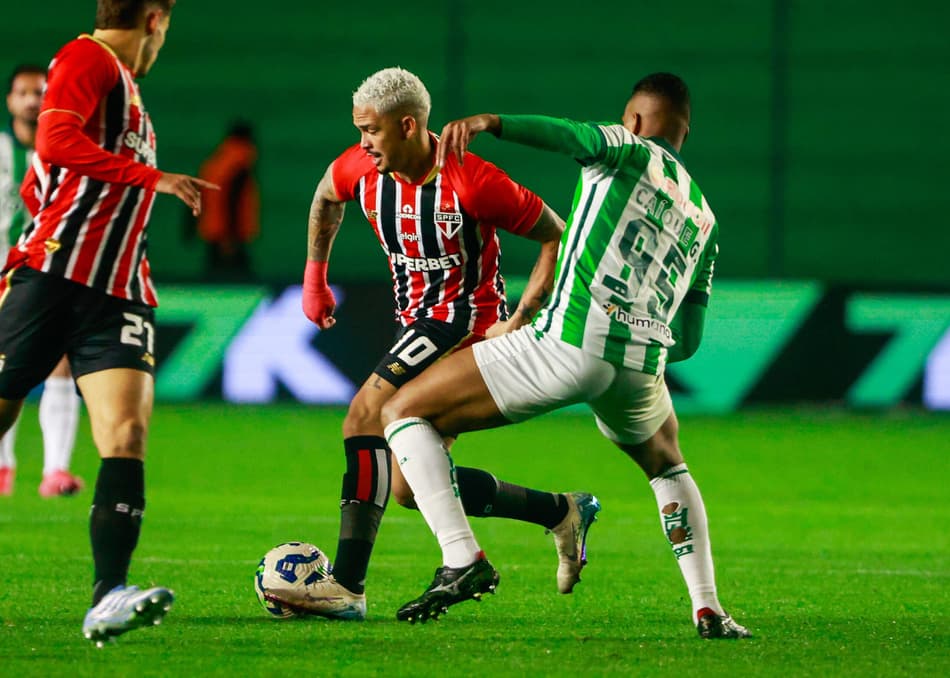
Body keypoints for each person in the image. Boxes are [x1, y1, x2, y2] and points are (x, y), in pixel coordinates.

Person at [381, 73, 751, 639]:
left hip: (570, 340)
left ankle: (463, 559)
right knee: (668, 464)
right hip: (639, 363)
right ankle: (708, 608)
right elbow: (692, 339)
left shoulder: (627, 148)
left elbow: (567, 136)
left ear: (634, 119)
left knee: (403, 412)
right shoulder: (706, 220)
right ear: (685, 132)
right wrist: (639, 334)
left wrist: (492, 123)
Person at [267, 67, 601, 620]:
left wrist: (521, 316)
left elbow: (555, 234)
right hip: (414, 323)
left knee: (363, 416)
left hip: (463, 325)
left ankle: (346, 587)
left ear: (407, 126)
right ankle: (560, 511)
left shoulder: (470, 179)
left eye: (370, 131)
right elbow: (326, 198)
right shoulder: (362, 169)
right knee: (407, 488)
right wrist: (314, 277)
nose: (361, 142)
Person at [0, 0, 215, 644]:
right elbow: (54, 140)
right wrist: (152, 178)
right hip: (55, 277)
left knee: (125, 433)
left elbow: (47, 179)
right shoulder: (87, 57)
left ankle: (107, 594)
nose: (164, 42)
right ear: (155, 17)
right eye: (167, 28)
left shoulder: (128, 91)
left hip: (118, 289)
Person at [0, 64, 84, 498]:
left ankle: (55, 471)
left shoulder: (71, 149)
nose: (32, 99)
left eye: (40, 92)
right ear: (10, 101)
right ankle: (3, 467)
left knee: (60, 359)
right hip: (3, 272)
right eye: (23, 92)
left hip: (50, 273)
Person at [193, 119, 260, 281]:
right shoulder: (239, 164)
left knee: (213, 281)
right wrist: (229, 238)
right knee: (239, 282)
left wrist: (191, 226)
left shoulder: (217, 162)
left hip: (213, 230)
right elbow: (232, 200)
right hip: (229, 235)